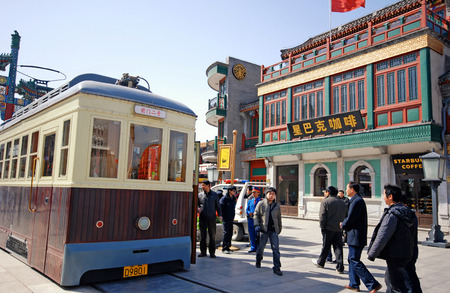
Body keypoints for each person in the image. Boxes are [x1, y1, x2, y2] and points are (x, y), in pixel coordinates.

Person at [368, 184, 416, 293]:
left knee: (396, 285)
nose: (383, 196)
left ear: (390, 197)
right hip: (407, 253)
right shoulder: (410, 213)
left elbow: (383, 235)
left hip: (394, 254)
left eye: (384, 194)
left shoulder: (392, 214)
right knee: (393, 281)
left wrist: (372, 253)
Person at [341, 181, 382, 293]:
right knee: (351, 259)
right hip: (354, 235)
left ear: (352, 189)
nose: (346, 191)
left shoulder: (357, 201)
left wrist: (343, 224)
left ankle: (373, 284)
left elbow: (351, 218)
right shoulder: (354, 200)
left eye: (347, 188)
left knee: (354, 260)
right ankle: (354, 283)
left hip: (356, 236)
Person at [312, 186, 347, 273]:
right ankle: (340, 266)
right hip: (339, 228)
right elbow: (345, 214)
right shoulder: (342, 202)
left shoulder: (325, 201)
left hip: (328, 228)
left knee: (326, 246)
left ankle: (321, 262)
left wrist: (322, 226)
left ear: (328, 192)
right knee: (338, 247)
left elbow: (322, 215)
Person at [254, 187, 283, 276]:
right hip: (263, 230)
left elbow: (279, 218)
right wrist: (257, 225)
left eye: (273, 194)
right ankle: (258, 259)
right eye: (269, 193)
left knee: (276, 249)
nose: (271, 195)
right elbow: (256, 215)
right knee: (261, 248)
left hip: (273, 230)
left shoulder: (277, 206)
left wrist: (279, 229)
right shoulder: (261, 204)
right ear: (266, 194)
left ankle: (277, 267)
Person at [197, 180, 222, 258]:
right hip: (203, 218)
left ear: (208, 186)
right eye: (202, 185)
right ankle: (203, 252)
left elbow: (218, 206)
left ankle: (212, 252)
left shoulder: (214, 195)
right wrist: (198, 209)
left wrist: (220, 215)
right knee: (202, 235)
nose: (202, 187)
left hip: (212, 218)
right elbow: (197, 205)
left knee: (212, 235)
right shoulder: (200, 195)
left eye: (203, 185)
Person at [220, 185, 237, 254]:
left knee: (230, 232)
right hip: (226, 217)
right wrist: (220, 215)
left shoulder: (233, 198)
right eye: (233, 191)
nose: (235, 192)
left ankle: (228, 246)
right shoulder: (224, 198)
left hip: (231, 217)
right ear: (229, 191)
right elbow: (220, 207)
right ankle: (224, 247)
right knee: (226, 232)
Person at [246, 187, 262, 253]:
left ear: (258, 193)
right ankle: (253, 247)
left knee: (257, 235)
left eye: (255, 192)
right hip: (250, 220)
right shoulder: (250, 201)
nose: (253, 193)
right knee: (251, 234)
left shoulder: (261, 201)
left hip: (257, 220)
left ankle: (258, 248)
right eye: (252, 192)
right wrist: (249, 213)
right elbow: (247, 209)